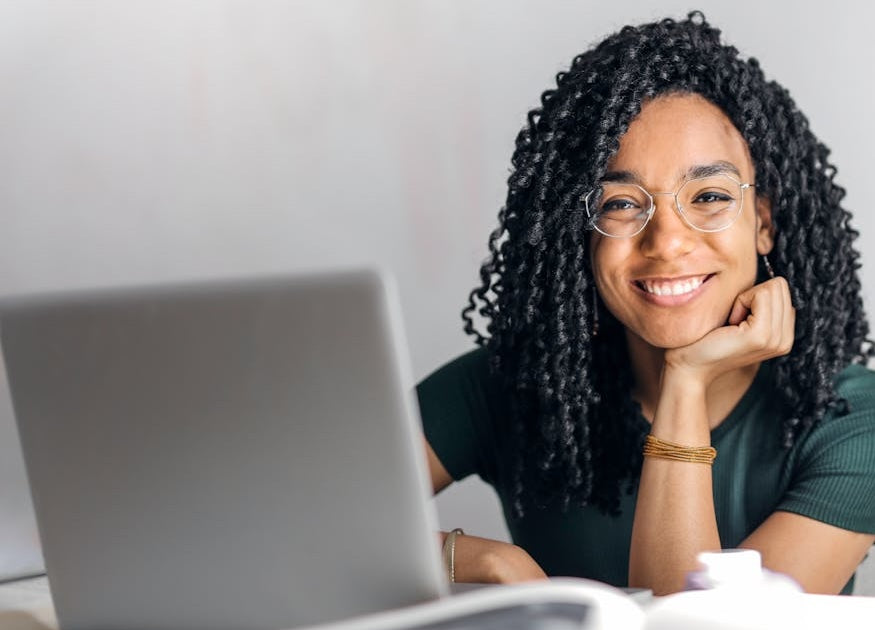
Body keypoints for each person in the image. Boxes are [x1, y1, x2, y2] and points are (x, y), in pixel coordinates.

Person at [416, 11, 875, 596]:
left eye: (708, 196)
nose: (667, 242)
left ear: (764, 223)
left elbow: (694, 624)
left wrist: (685, 380)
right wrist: (481, 561)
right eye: (621, 204)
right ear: (578, 232)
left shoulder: (854, 422)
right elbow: (290, 518)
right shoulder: (511, 384)